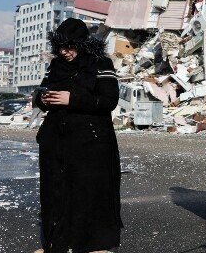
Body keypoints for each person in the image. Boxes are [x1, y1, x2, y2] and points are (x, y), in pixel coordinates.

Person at [34, 18, 123, 253]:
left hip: (90, 142)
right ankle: (55, 243)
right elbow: (42, 92)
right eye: (61, 47)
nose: (65, 52)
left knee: (89, 193)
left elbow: (108, 101)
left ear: (81, 44)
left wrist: (71, 99)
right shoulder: (56, 66)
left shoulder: (100, 63)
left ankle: (95, 244)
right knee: (55, 191)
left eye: (70, 46)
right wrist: (42, 99)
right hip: (56, 140)